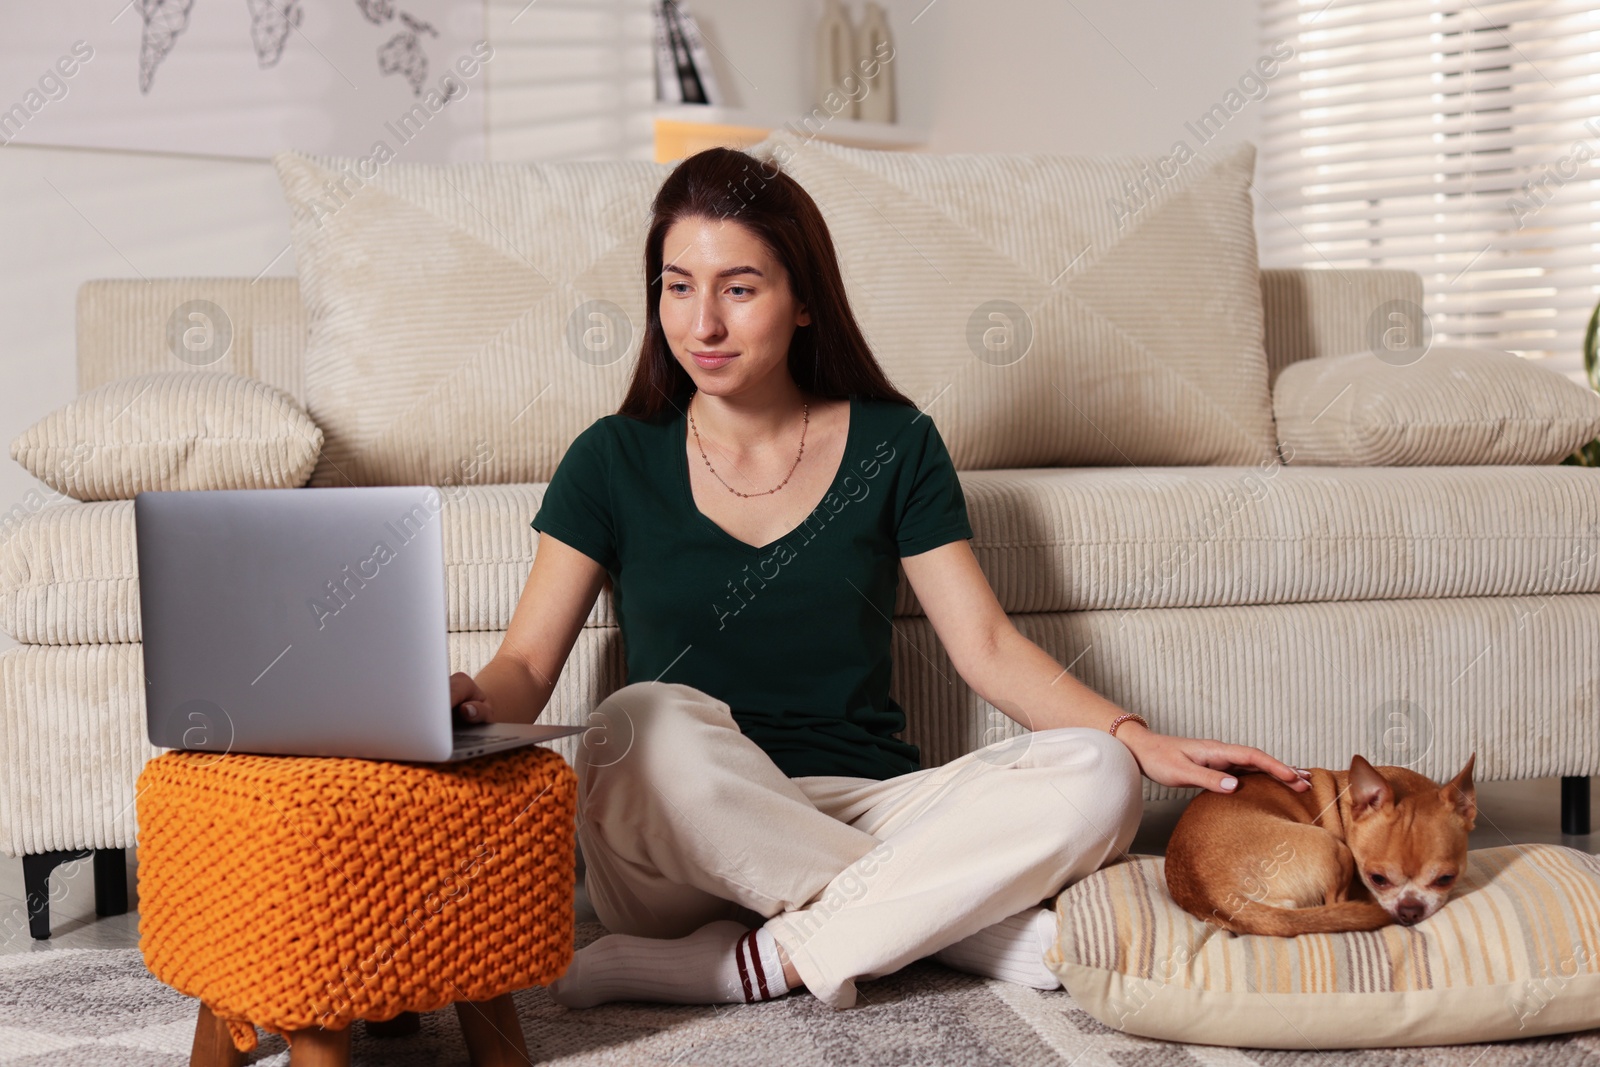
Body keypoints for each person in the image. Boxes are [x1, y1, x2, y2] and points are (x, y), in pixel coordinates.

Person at [447, 146, 1312, 1011]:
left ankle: (750, 964)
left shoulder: (894, 444)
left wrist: (1134, 735)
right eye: (678, 286)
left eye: (739, 288)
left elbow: (986, 646)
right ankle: (956, 929)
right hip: (677, 841)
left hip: (864, 804)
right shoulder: (611, 457)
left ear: (806, 303)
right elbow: (525, 665)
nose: (702, 323)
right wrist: (459, 701)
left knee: (1100, 774)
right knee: (634, 720)